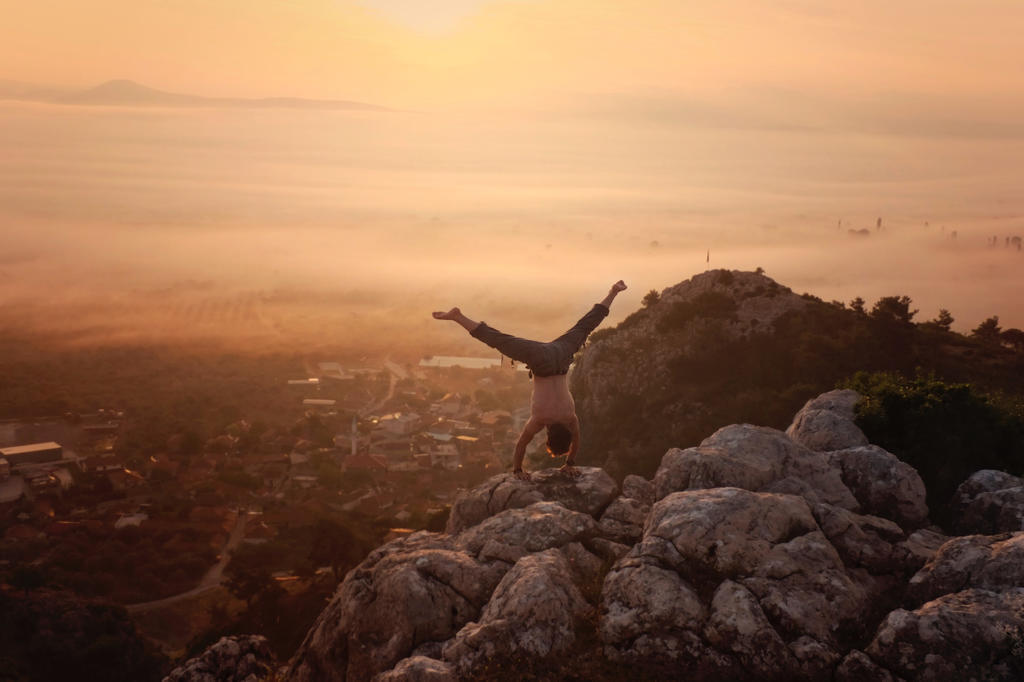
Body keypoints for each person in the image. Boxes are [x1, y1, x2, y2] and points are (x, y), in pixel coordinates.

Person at [433, 280, 627, 480]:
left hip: (562, 355)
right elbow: (521, 445)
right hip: (541, 361)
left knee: (585, 326)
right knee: (500, 341)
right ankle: (458, 317)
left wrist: (570, 462)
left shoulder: (571, 418)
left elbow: (576, 441)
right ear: (548, 438)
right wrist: (518, 471)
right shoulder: (540, 419)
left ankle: (614, 291)